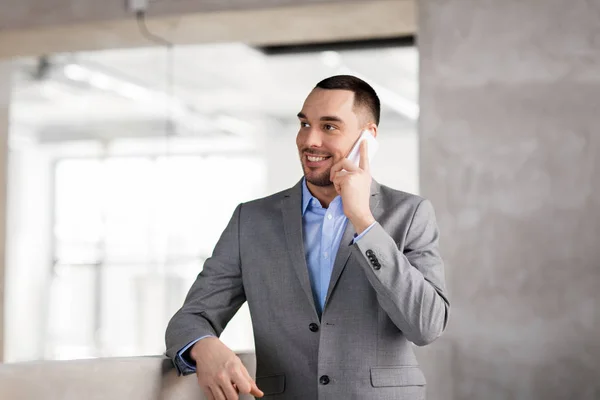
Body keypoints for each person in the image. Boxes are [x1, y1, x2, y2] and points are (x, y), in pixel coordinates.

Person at [165, 75, 450, 400]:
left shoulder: (410, 214)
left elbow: (427, 325)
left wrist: (364, 223)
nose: (309, 139)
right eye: (304, 124)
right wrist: (205, 345)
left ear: (367, 138)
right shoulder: (252, 220)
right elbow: (190, 317)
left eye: (329, 126)